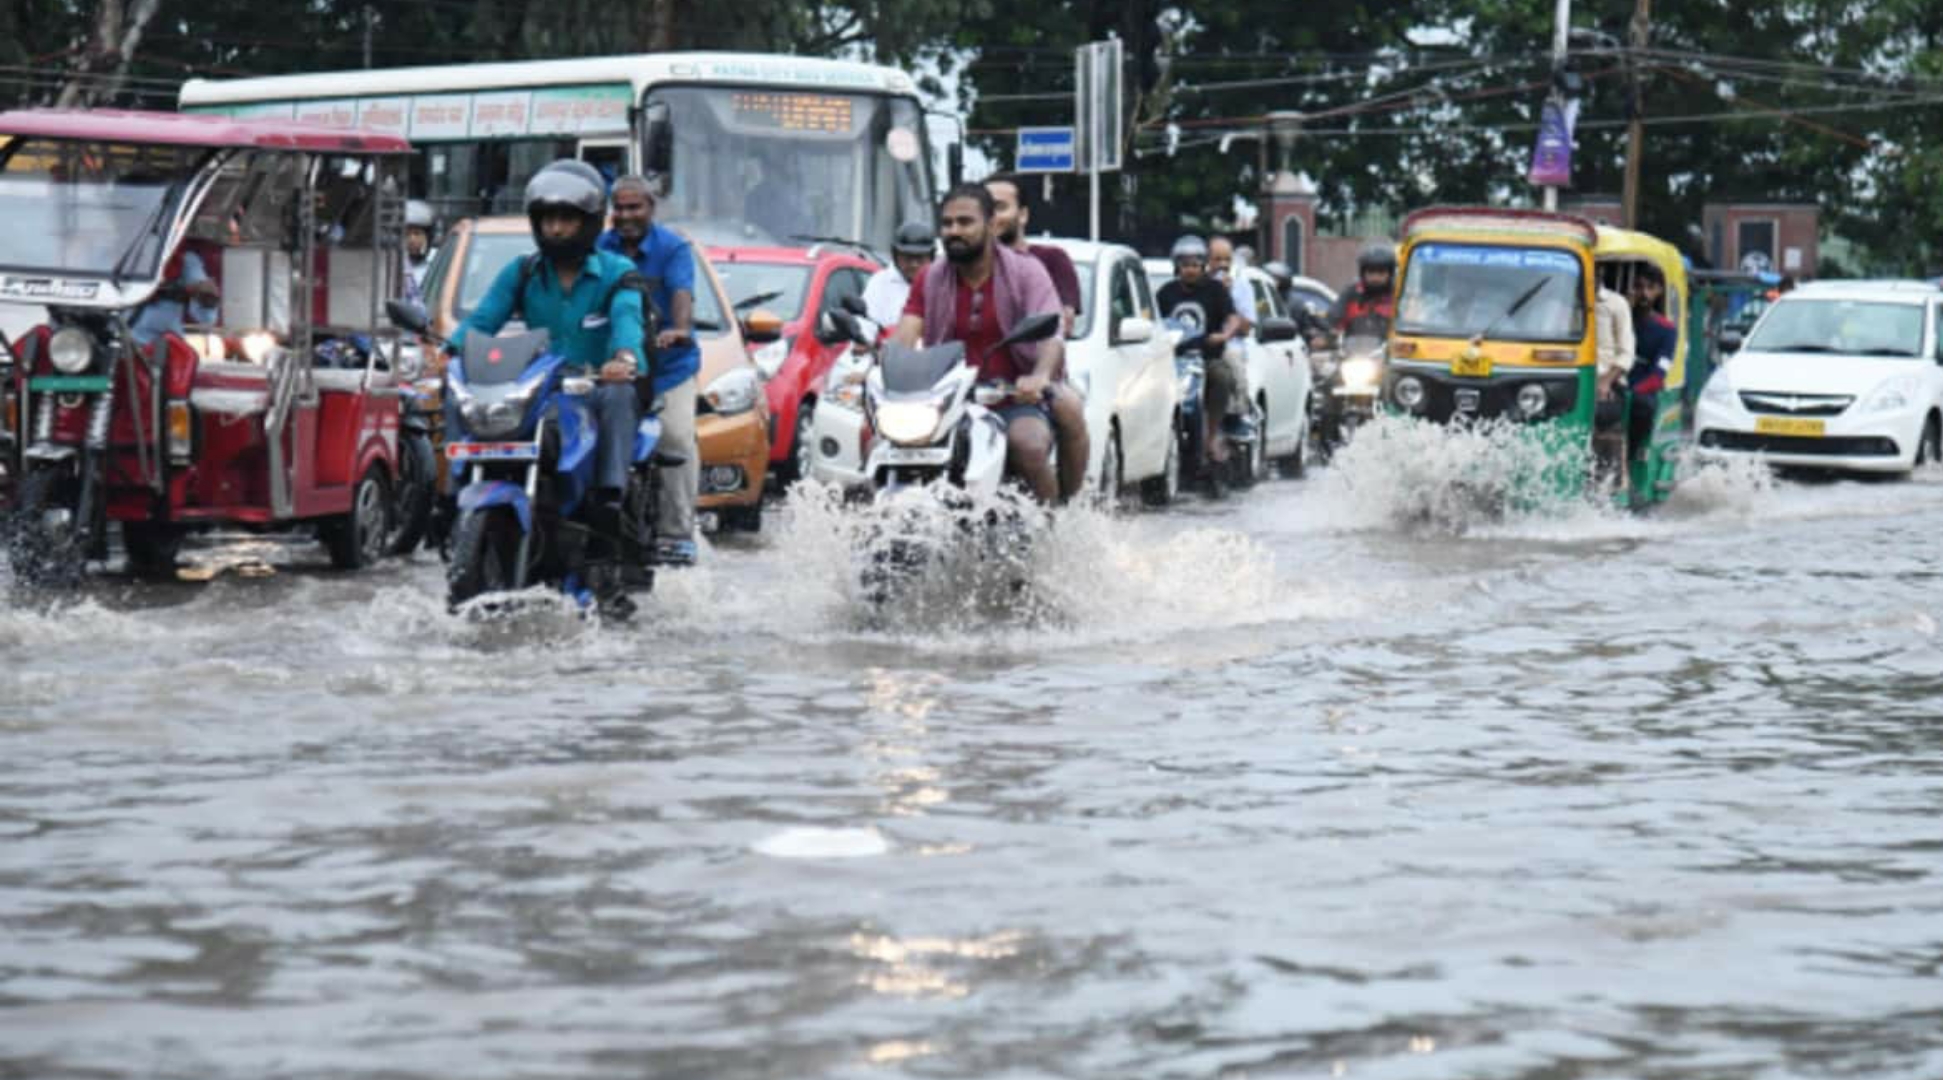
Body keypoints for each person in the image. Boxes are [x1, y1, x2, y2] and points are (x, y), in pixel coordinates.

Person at [447, 160, 648, 566]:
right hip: (542, 391)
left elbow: (628, 319)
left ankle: (608, 502)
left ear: (589, 223)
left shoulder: (618, 272)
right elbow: (483, 320)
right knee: (458, 391)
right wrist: (450, 350)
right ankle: (450, 491)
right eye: (548, 219)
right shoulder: (522, 272)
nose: (555, 229)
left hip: (593, 387)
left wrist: (623, 357)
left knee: (620, 395)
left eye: (566, 220)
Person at [892, 182, 1066, 504]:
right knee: (880, 444)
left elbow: (1050, 335)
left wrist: (1039, 376)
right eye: (946, 224)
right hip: (944, 401)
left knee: (1029, 445)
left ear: (991, 224)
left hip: (1012, 397)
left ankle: (1052, 527)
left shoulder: (1027, 272)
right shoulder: (929, 277)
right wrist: (882, 367)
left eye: (965, 222)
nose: (954, 231)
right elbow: (905, 334)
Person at [596, 174, 702, 566]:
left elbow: (681, 292)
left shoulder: (673, 248)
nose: (625, 216)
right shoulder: (598, 246)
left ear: (650, 209)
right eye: (619, 208)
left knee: (674, 438)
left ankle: (677, 533)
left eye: (634, 207)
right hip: (611, 367)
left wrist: (679, 330)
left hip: (667, 368)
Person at [985, 173, 1090, 503]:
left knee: (1069, 408)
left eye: (1001, 207)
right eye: (985, 208)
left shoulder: (1048, 261)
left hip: (1036, 381)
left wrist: (1041, 374)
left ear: (1023, 215)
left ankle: (1065, 507)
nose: (993, 216)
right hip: (974, 382)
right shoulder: (959, 266)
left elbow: (1062, 322)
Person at [1156, 235, 1242, 469]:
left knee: (1222, 376)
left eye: (1195, 265)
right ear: (1177, 267)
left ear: (1203, 265)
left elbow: (1233, 317)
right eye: (1185, 265)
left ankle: (1211, 436)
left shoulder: (1215, 290)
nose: (1190, 270)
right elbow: (1154, 321)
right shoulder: (1165, 293)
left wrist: (1224, 335)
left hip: (1207, 358)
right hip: (1173, 360)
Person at [1604, 261, 1676, 459]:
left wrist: (1632, 392)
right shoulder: (1616, 316)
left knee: (1643, 407)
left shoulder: (1666, 329)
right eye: (1638, 287)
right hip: (1611, 378)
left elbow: (1658, 374)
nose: (1644, 294)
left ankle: (1630, 453)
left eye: (1650, 288)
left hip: (1640, 386)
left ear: (1659, 291)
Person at [130, 248, 220, 348]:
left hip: (159, 345)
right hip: (118, 336)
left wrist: (207, 297)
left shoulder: (184, 260)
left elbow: (207, 318)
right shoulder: (123, 255)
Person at [1324, 241, 1397, 345]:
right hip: (1354, 355)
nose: (1375, 277)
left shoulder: (1398, 296)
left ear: (1390, 274)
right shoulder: (1351, 293)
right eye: (1371, 272)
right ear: (1363, 273)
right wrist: (1328, 332)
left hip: (1389, 354)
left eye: (1381, 272)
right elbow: (1334, 317)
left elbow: (1410, 323)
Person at [863, 221, 933, 327]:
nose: (914, 264)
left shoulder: (943, 285)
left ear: (931, 257)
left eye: (920, 258)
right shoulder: (880, 283)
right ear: (895, 255)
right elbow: (866, 328)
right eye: (908, 257)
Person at [403, 200, 437, 302]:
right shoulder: (393, 264)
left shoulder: (438, 260)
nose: (412, 240)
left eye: (417, 233)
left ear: (428, 237)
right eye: (406, 234)